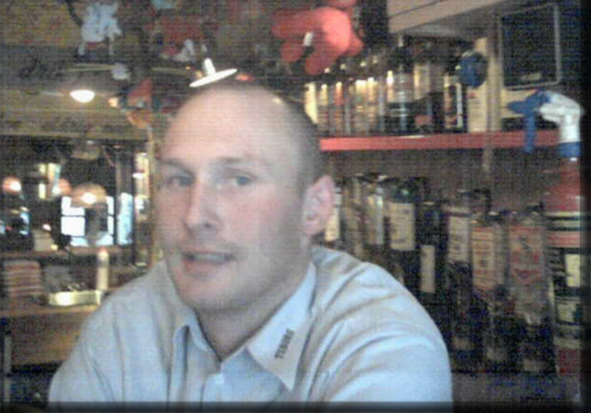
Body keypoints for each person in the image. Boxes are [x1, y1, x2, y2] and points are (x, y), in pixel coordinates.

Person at [48, 81, 452, 404]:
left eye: (239, 180)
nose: (195, 216)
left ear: (314, 208)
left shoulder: (382, 346)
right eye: (179, 180)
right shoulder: (124, 325)